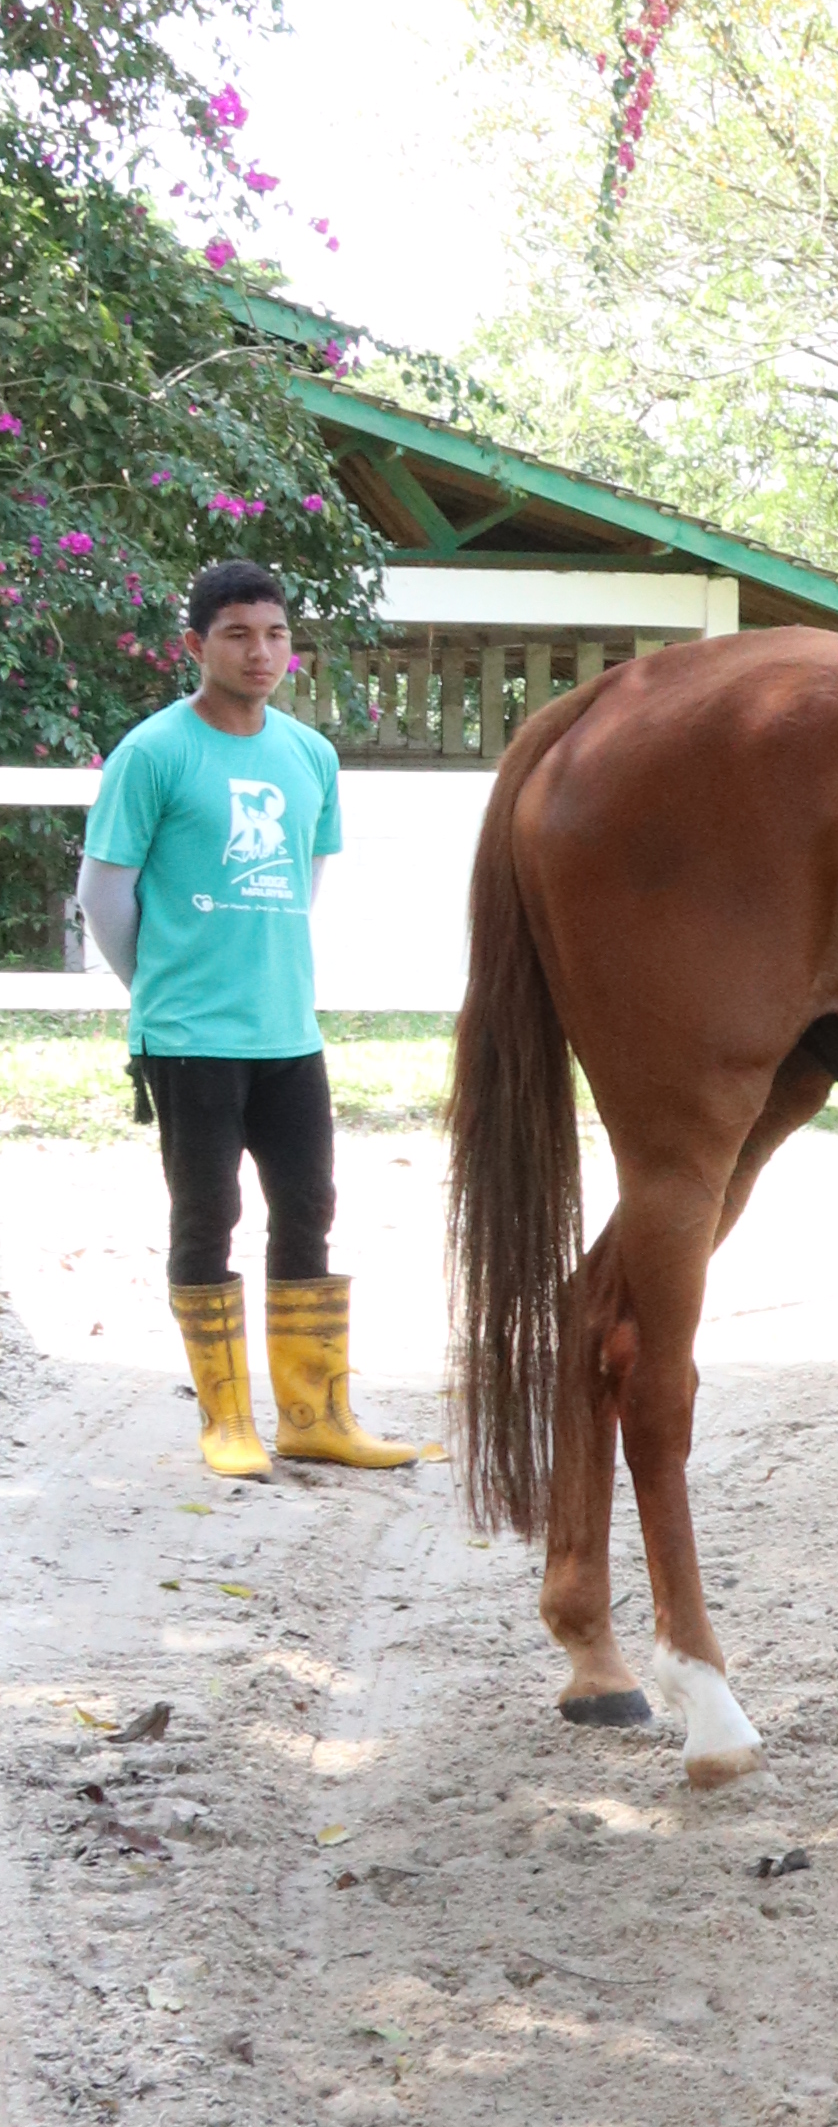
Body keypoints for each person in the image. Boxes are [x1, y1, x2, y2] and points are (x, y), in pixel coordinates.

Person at [74, 554, 414, 1480]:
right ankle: (227, 1422)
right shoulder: (154, 752)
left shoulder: (310, 754)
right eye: (238, 634)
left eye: (275, 634)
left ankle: (313, 1416)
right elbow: (102, 893)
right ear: (196, 645)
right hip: (188, 1036)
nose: (261, 652)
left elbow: (302, 881)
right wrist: (159, 986)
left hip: (287, 1032)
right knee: (206, 1216)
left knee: (308, 1209)